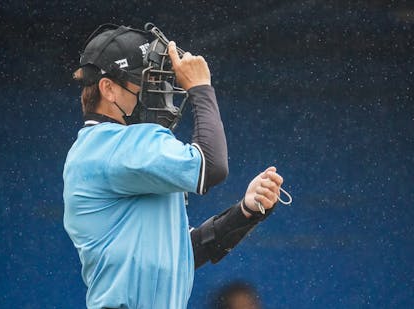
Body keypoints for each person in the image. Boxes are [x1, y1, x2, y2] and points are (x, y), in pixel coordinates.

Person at [63, 24, 283, 309]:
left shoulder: (115, 150)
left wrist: (245, 212)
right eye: (145, 81)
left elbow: (181, 253)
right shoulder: (114, 145)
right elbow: (212, 166)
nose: (156, 91)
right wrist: (201, 89)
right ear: (108, 88)